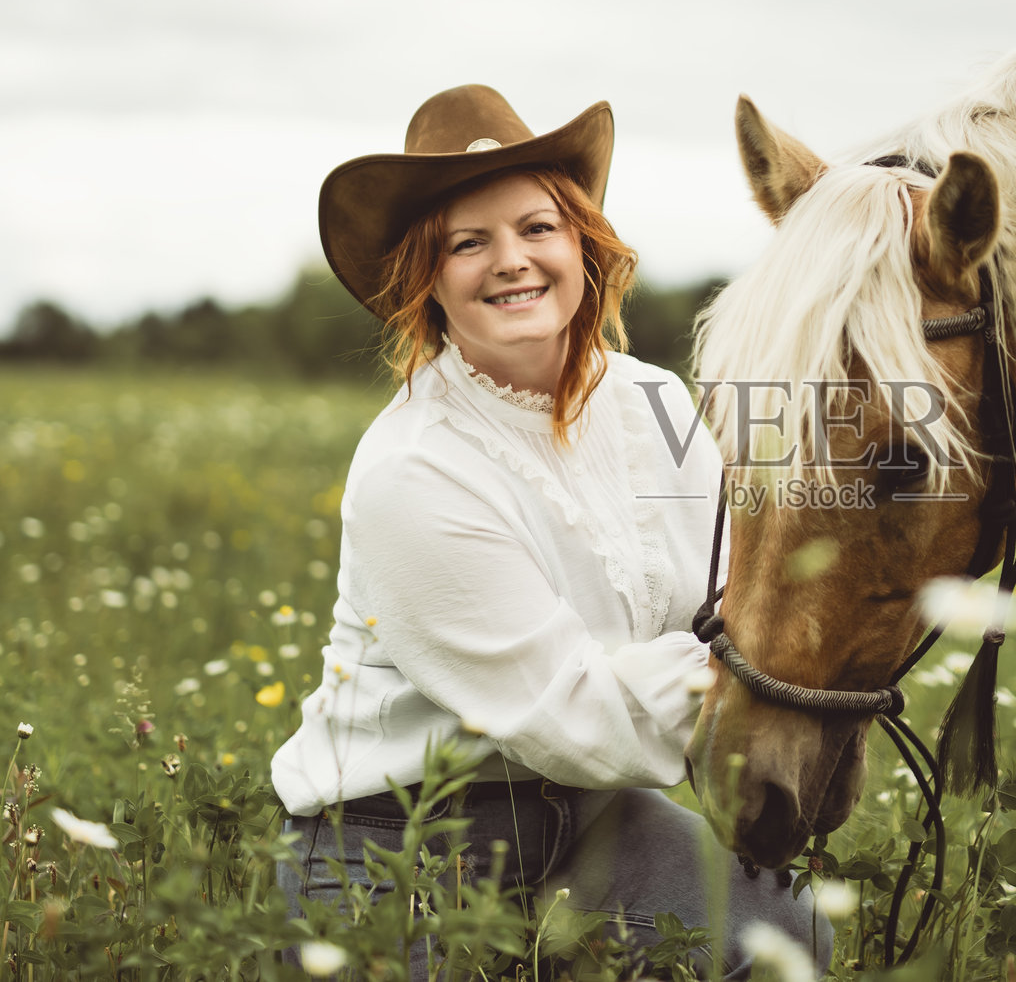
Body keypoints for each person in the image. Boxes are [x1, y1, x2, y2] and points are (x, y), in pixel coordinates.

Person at [270, 85, 828, 977]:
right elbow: (568, 713)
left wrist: (807, 644)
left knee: (779, 933)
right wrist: (776, 671)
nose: (511, 261)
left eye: (537, 227)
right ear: (428, 277)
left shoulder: (656, 401)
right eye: (468, 241)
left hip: (588, 818)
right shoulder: (413, 469)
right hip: (399, 843)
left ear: (581, 243)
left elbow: (728, 600)